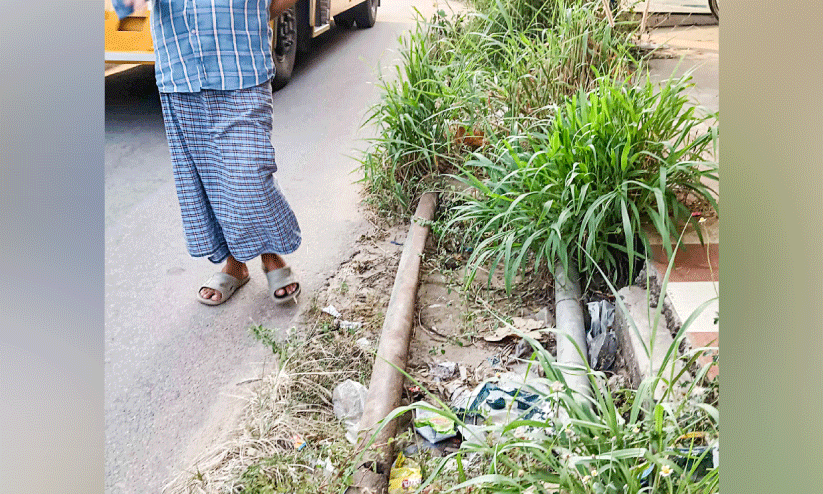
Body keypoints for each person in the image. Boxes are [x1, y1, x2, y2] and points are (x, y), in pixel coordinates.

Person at [113, 0, 303, 305]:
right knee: (208, 177)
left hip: (242, 63)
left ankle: (270, 253)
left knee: (249, 173)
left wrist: (257, 10)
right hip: (181, 67)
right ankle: (236, 264)